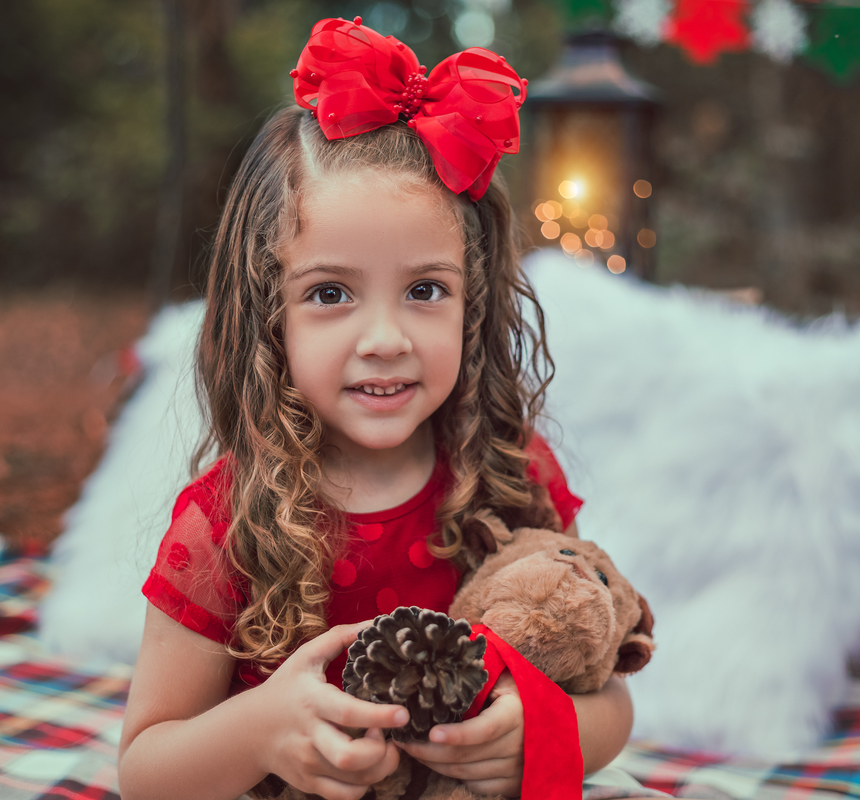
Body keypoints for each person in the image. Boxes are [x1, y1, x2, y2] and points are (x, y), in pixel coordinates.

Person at [118, 17, 633, 800]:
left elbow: (611, 698)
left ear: (472, 302)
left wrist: (543, 728)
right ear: (269, 314)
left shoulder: (513, 474)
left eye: (425, 289)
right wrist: (262, 730)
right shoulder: (225, 523)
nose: (386, 339)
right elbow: (146, 771)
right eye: (331, 294)